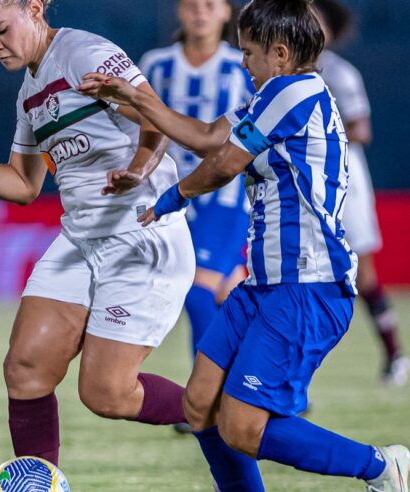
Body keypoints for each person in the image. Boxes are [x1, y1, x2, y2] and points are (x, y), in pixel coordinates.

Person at [78, 0, 410, 490]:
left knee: (241, 427)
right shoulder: (272, 95)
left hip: (307, 286)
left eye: (248, 52)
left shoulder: (294, 90)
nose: (241, 62)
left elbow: (225, 163)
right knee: (199, 406)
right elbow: (209, 135)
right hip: (264, 286)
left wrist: (175, 196)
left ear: (278, 54)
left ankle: (382, 467)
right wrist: (135, 97)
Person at [0, 0, 195, 468]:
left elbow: (154, 115)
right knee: (25, 368)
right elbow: (24, 185)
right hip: (81, 240)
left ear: (35, 8)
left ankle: (227, 415)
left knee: (107, 393)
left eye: (0, 30)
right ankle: (39, 484)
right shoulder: (29, 92)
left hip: (140, 235)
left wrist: (139, 170)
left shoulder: (83, 52)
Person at [139, 0, 254, 403]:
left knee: (196, 290)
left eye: (210, 5)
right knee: (230, 294)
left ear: (226, 13)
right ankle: (262, 385)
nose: (200, 12)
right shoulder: (155, 65)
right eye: (192, 5)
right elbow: (145, 126)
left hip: (224, 196)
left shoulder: (243, 65)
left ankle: (206, 399)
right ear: (179, 12)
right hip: (172, 195)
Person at [313, 0, 409, 386]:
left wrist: (314, 137)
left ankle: (394, 353)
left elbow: (361, 130)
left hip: (346, 181)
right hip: (304, 183)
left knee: (363, 273)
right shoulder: (278, 73)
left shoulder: (339, 73)